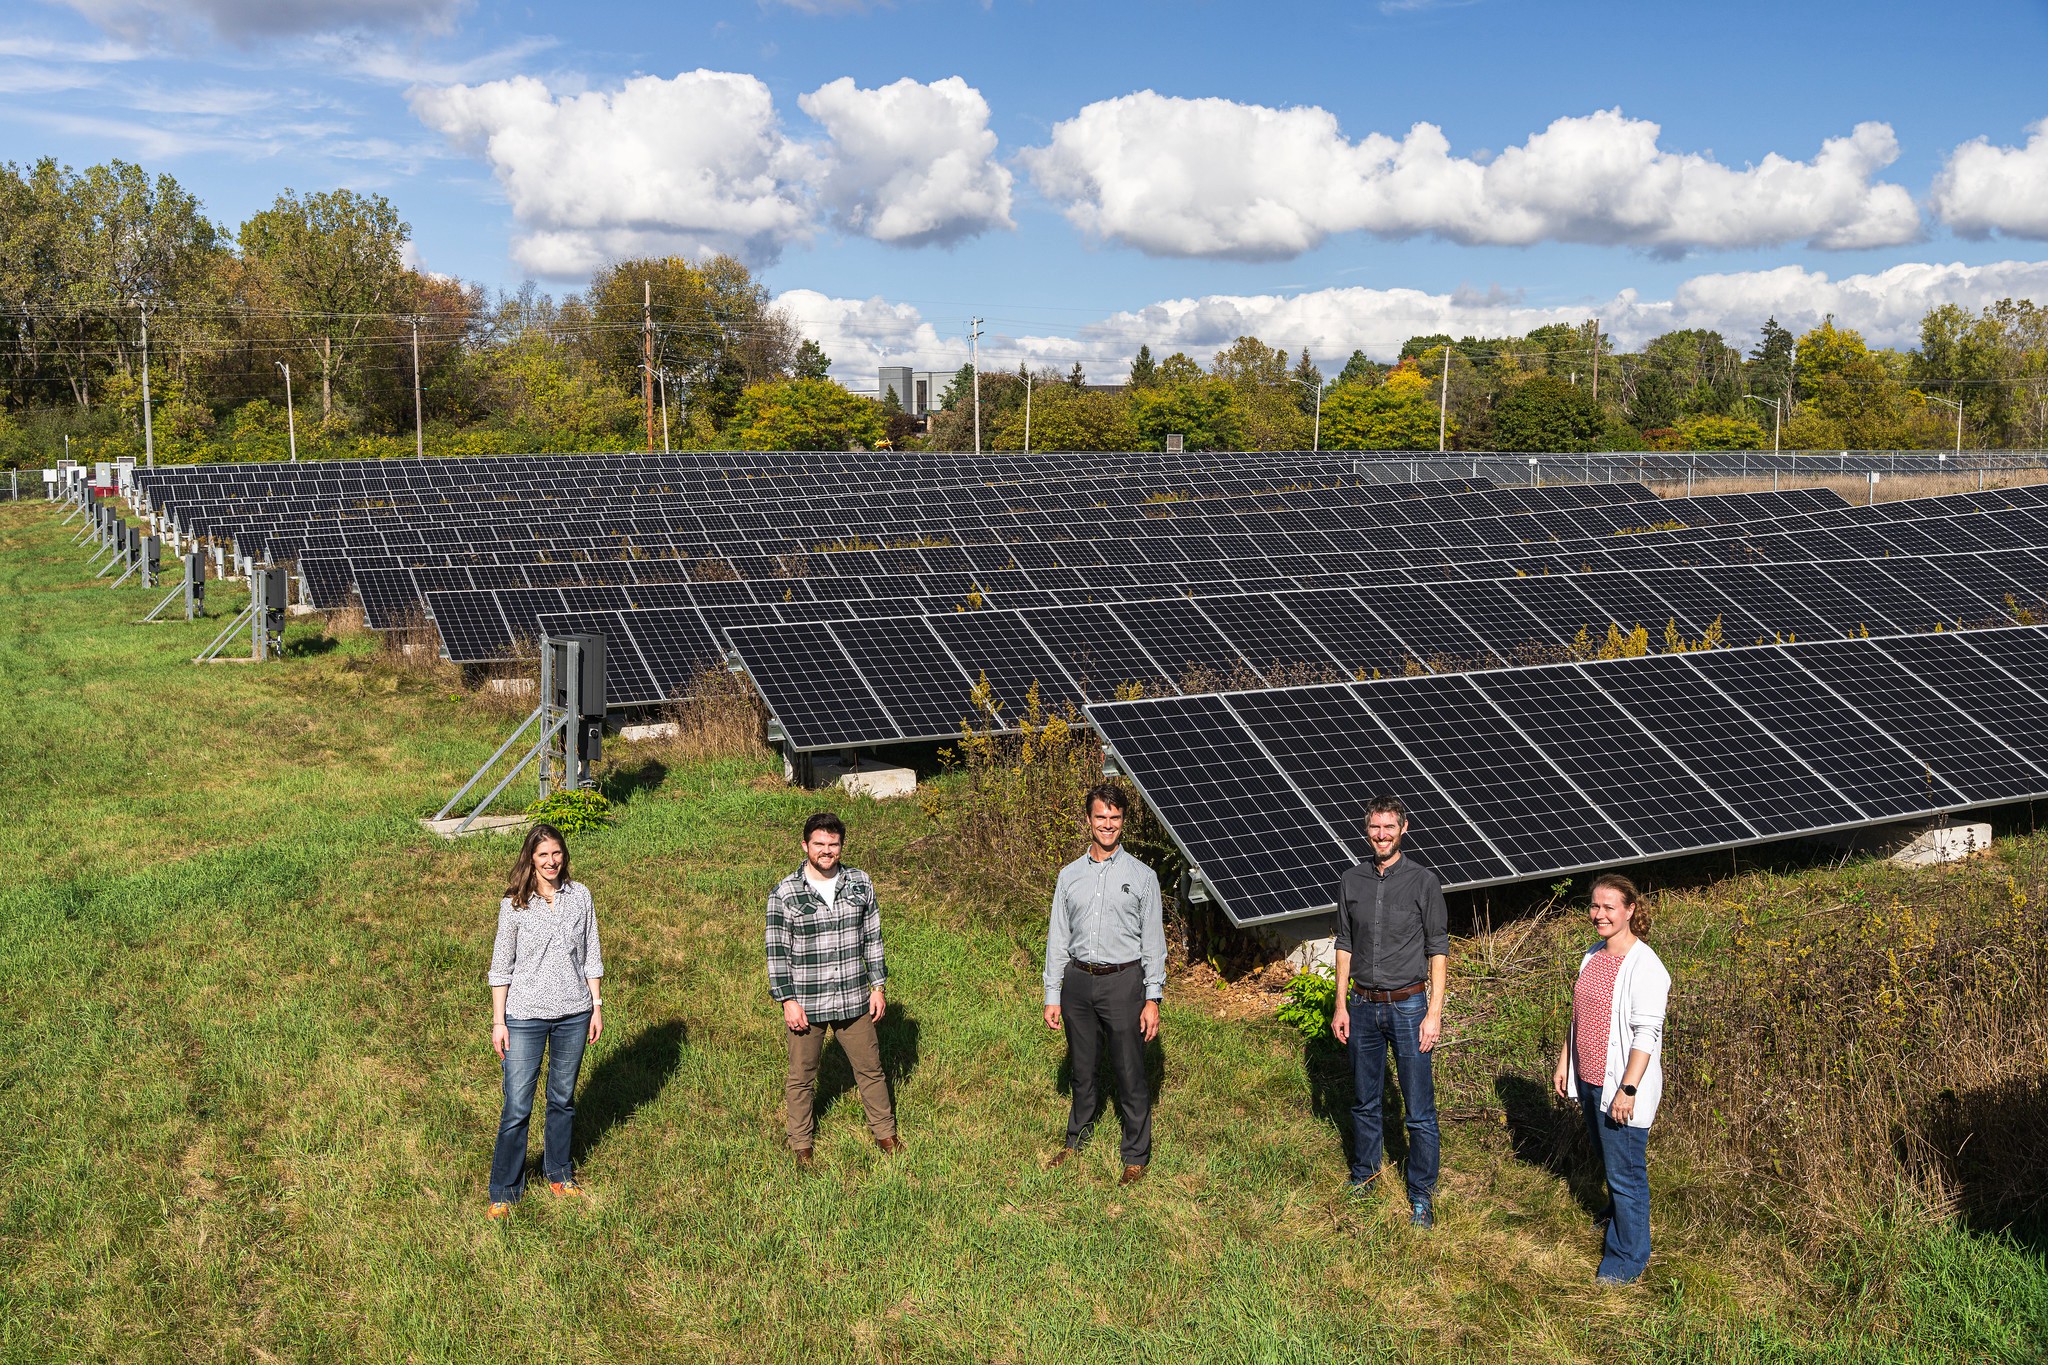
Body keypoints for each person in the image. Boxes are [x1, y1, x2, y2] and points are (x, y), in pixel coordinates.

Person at [1330, 795, 1447, 1228]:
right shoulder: (1351, 880)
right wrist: (1340, 1004)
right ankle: (1365, 1177)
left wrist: (1433, 1013)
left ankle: (1421, 1195)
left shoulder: (1423, 882)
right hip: (1361, 1006)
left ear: (1404, 828)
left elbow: (1438, 950)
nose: (1381, 835)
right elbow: (1344, 944)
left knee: (1418, 1108)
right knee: (1364, 1101)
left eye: (1389, 828)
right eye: (1374, 828)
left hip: (1410, 1006)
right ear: (1367, 830)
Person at [1043, 781, 1166, 1185]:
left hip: (1122, 982)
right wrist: (1052, 994)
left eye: (1115, 818)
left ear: (1123, 821)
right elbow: (1058, 938)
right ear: (1089, 820)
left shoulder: (1143, 876)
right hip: (1077, 983)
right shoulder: (1069, 876)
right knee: (1082, 1068)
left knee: (1129, 1070)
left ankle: (1135, 1155)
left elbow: (1153, 943)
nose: (1108, 824)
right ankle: (1075, 1139)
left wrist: (1153, 999)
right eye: (1101, 817)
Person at [1553, 873, 1670, 1285]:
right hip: (1588, 1077)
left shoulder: (1646, 966)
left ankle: (1627, 1259)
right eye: (1594, 906)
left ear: (1630, 910)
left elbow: (1646, 1035)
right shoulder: (1593, 954)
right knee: (1610, 1161)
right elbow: (1579, 1013)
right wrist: (1565, 1060)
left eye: (1609, 907)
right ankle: (1617, 1218)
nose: (1598, 914)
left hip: (1619, 1086)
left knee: (1626, 1173)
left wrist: (1628, 1088)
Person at [766, 811, 899, 1167]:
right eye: (820, 844)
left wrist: (878, 986)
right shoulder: (785, 892)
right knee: (802, 1077)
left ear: (841, 846)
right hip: (806, 1003)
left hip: (854, 997)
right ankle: (801, 1146)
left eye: (834, 844)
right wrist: (787, 1001)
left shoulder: (860, 882)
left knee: (871, 1069)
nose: (827, 851)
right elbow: (776, 952)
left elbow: (873, 937)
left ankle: (886, 1135)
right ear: (805, 845)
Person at [485, 822, 604, 1219]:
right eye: (542, 856)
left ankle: (559, 1173)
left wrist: (597, 1005)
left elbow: (591, 955)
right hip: (524, 1017)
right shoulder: (515, 904)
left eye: (556, 854)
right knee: (517, 1105)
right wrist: (499, 1022)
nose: (551, 862)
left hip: (574, 1012)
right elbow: (501, 967)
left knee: (562, 1100)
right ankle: (504, 1190)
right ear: (530, 859)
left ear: (563, 855)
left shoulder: (580, 896)